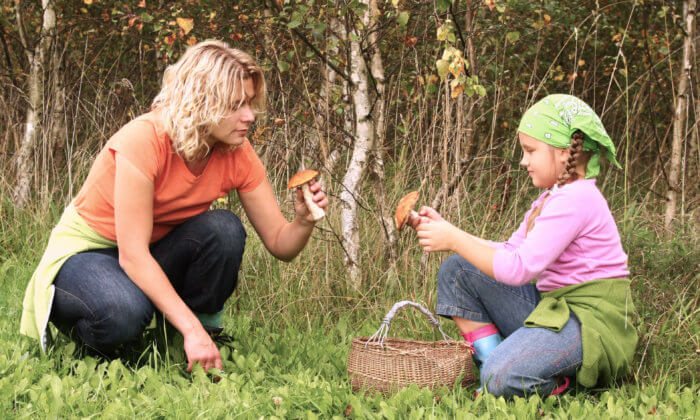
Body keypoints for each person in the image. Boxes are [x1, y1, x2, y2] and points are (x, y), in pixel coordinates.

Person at [20, 40, 328, 373]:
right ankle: (96, 345)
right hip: (87, 255)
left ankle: (191, 340)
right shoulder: (144, 140)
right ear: (201, 101)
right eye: (237, 104)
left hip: (148, 253)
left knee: (223, 229)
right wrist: (189, 327)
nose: (250, 116)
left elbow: (281, 244)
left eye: (251, 102)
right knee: (122, 310)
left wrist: (303, 221)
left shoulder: (237, 152)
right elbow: (132, 255)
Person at [408, 94, 637, 398]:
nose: (523, 161)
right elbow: (510, 251)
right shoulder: (551, 198)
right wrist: (450, 231)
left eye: (530, 151)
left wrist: (453, 238)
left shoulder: (576, 200)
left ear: (563, 151)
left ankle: (560, 382)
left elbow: (518, 269)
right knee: (458, 269)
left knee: (500, 378)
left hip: (590, 325)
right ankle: (497, 362)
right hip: (555, 307)